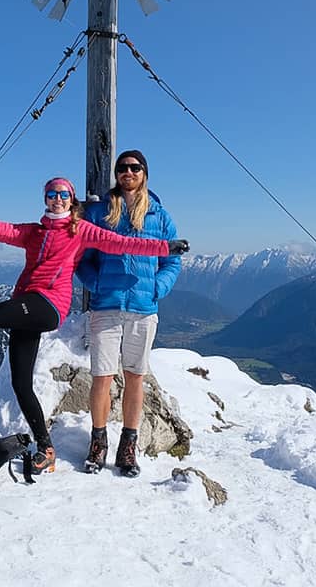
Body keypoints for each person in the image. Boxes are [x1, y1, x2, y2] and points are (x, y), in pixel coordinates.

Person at [0, 176, 189, 474]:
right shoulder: (35, 232)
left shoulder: (81, 230)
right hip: (27, 306)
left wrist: (166, 248)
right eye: (51, 194)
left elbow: (122, 243)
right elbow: (0, 231)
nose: (57, 199)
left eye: (63, 194)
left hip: (49, 306)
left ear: (72, 201)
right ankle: (46, 447)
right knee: (21, 383)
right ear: (45, 199)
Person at [75, 150, 180, 477]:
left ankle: (128, 446)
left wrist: (157, 288)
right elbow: (82, 258)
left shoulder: (159, 216)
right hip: (107, 306)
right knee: (101, 377)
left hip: (143, 307)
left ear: (145, 173)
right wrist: (99, 283)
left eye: (135, 168)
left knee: (136, 377)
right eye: (122, 168)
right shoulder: (101, 213)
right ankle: (99, 441)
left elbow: (172, 261)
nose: (128, 172)